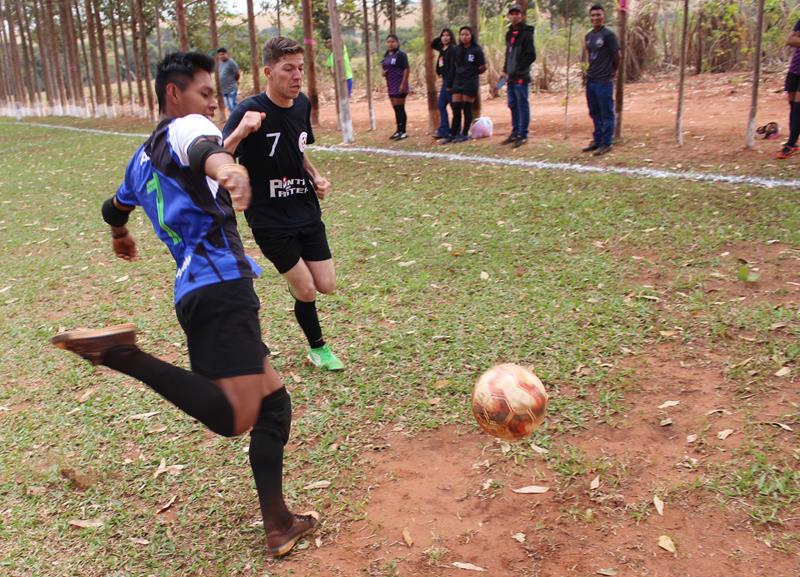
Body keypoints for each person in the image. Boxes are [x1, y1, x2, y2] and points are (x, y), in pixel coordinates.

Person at [50, 52, 318, 557]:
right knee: (233, 417)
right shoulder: (186, 127)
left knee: (274, 405)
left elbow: (114, 205)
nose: (211, 104)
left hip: (197, 291)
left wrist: (119, 233)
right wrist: (229, 170)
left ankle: (279, 523)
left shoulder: (140, 157)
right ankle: (121, 355)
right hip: (221, 287)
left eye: (214, 97)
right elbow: (204, 149)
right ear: (175, 95)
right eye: (204, 94)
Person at [222, 37, 345, 372]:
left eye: (301, 69)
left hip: (305, 210)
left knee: (327, 285)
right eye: (288, 69)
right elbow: (219, 154)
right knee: (306, 289)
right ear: (268, 72)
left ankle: (299, 288)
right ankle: (318, 348)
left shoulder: (302, 105)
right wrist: (241, 133)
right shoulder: (247, 110)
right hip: (269, 218)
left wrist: (316, 177)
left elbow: (298, 150)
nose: (297, 76)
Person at [581, 4, 620, 156]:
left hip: (604, 80)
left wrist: (612, 72)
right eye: (593, 15)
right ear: (590, 17)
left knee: (606, 112)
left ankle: (607, 143)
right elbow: (591, 56)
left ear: (603, 16)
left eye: (598, 15)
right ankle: (597, 140)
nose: (595, 18)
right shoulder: (589, 36)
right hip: (592, 80)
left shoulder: (609, 35)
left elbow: (617, 56)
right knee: (594, 111)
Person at [500, 4, 536, 148]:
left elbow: (531, 55)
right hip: (510, 77)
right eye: (512, 14)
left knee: (522, 104)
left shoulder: (526, 33)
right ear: (509, 16)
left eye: (517, 13)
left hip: (521, 76)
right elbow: (508, 54)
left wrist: (517, 68)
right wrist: (505, 69)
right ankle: (515, 132)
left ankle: (523, 134)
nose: (514, 16)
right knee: (512, 104)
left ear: (522, 16)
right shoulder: (509, 33)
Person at [445, 26, 486, 143]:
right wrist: (449, 83)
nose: (464, 37)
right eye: (462, 34)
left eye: (467, 34)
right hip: (457, 81)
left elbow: (483, 66)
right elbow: (453, 67)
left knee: (466, 108)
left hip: (470, 82)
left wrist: (473, 73)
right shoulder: (456, 49)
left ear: (471, 36)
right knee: (456, 108)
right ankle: (453, 134)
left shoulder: (476, 50)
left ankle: (464, 133)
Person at [777, 19, 800, 159]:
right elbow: (790, 40)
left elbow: (795, 40)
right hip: (795, 67)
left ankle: (790, 144)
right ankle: (794, 142)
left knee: (798, 107)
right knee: (792, 105)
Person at [382, 34, 410, 140]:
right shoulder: (386, 54)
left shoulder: (401, 54)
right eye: (388, 42)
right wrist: (383, 73)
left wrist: (403, 84)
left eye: (392, 41)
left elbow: (406, 69)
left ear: (397, 42)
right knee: (395, 108)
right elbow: (384, 67)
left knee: (400, 108)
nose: (390, 44)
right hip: (391, 84)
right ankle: (398, 130)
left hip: (400, 84)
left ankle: (403, 131)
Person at [431, 28, 456, 139]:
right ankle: (444, 129)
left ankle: (454, 130)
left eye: (447, 35)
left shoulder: (453, 49)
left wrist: (450, 84)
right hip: (445, 80)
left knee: (453, 106)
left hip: (451, 81)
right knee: (441, 105)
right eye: (443, 35)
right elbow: (433, 44)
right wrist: (440, 37)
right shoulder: (442, 48)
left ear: (451, 37)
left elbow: (453, 67)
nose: (445, 37)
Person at [217, 47, 241, 112]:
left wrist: (234, 82)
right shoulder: (221, 63)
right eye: (219, 55)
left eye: (222, 54)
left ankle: (237, 120)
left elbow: (237, 73)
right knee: (229, 107)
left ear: (226, 54)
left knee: (232, 106)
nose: (221, 56)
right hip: (224, 90)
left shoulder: (231, 63)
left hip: (231, 88)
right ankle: (236, 119)